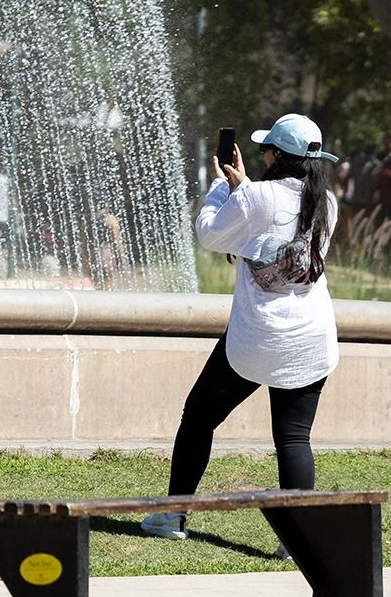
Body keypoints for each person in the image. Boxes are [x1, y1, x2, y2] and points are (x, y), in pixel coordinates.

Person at [141, 114, 340, 555]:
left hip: (257, 339)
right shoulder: (327, 200)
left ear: (275, 156)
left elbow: (210, 236)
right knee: (293, 437)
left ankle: (174, 514)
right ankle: (298, 540)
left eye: (267, 149)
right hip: (310, 336)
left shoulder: (256, 197)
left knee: (198, 417)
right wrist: (243, 191)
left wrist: (222, 188)